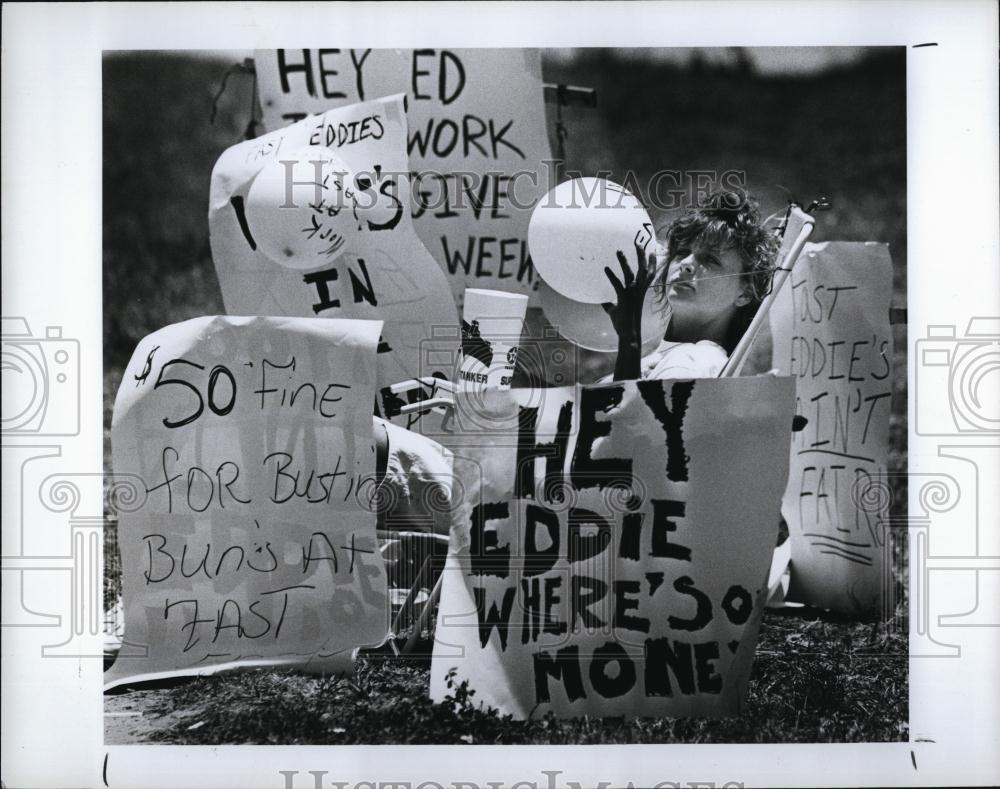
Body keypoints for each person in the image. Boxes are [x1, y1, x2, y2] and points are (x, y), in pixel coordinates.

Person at [602, 188, 779, 381]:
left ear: (745, 293)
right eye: (682, 251)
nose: (686, 263)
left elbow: (625, 411)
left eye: (710, 259)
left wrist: (629, 340)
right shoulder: (666, 359)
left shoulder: (693, 362)